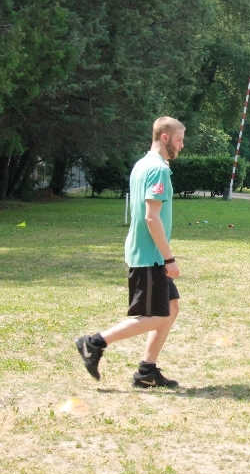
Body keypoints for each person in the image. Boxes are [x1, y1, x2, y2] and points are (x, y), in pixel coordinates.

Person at [74, 116, 184, 388]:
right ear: (165, 138)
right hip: (150, 255)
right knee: (157, 316)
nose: (182, 146)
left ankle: (147, 371)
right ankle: (94, 342)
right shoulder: (157, 169)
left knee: (170, 308)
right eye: (180, 140)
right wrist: (169, 257)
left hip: (148, 253)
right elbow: (151, 217)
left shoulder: (142, 165)